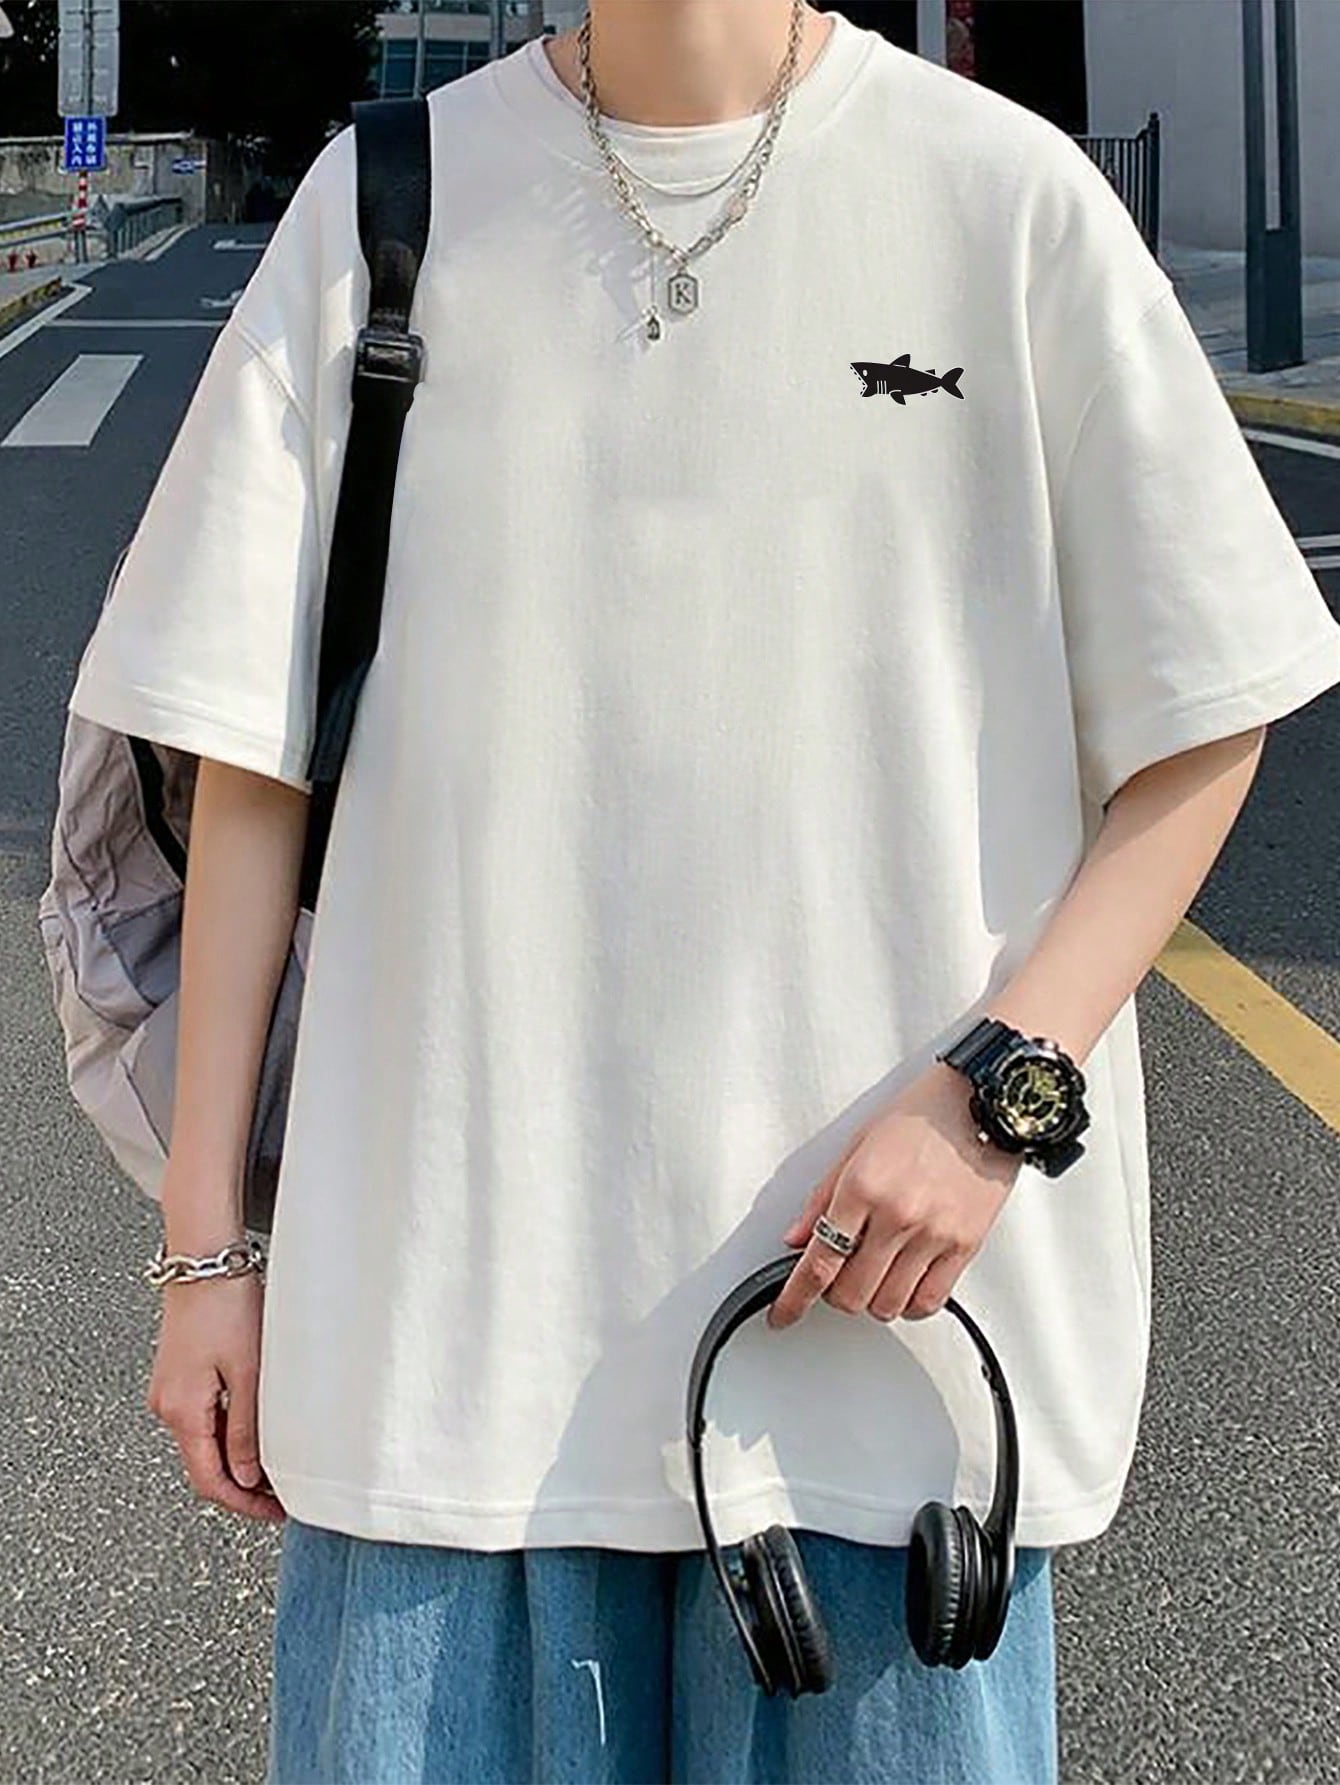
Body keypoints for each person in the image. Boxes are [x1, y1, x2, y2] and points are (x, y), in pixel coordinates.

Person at [65, 4, 1340, 1781]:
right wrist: (206, 1253)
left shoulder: (1004, 198)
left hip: (884, 1376)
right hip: (448, 1355)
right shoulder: (384, 205)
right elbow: (246, 759)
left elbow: (1208, 711)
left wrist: (996, 1098)